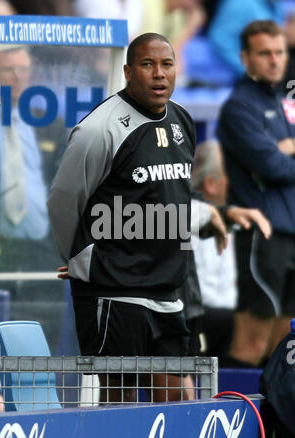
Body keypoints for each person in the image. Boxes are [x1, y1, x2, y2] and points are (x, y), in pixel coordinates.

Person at [48, 32, 271, 404]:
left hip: (169, 290)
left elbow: (174, 198)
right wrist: (77, 256)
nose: (158, 74)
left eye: (166, 64)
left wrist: (210, 216)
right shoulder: (99, 130)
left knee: (174, 401)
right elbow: (63, 199)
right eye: (147, 65)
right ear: (127, 71)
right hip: (116, 291)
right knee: (118, 403)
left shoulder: (182, 121)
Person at [217, 20, 295, 368]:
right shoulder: (239, 107)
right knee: (253, 342)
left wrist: (286, 149)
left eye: (279, 52)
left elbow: (279, 160)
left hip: (290, 235)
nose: (275, 60)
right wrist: (280, 153)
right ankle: (231, 417)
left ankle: (273, 423)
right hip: (263, 237)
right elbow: (273, 167)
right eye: (264, 53)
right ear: (245, 58)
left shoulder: (285, 100)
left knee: (283, 345)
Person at [0, 46, 68, 349]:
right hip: (3, 250)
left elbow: (65, 186)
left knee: (43, 341)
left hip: (43, 251)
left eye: (23, 69)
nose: (18, 77)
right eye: (9, 69)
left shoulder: (48, 122)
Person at [190, 140, 237, 363]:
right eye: (229, 175)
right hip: (203, 321)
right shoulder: (191, 221)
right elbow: (209, 294)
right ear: (211, 183)